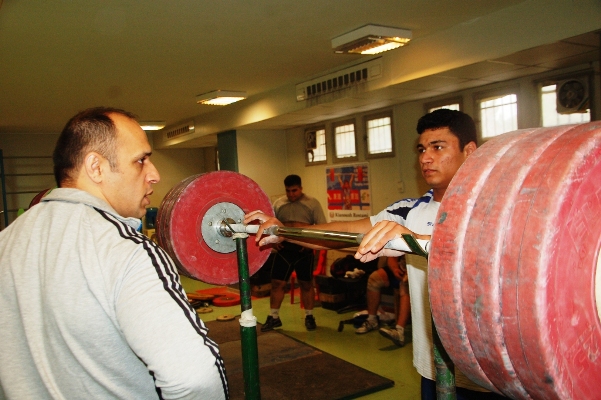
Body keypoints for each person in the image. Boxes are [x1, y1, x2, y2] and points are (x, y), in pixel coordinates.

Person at [246, 109, 506, 399]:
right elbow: (336, 234)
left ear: (469, 151)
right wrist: (282, 230)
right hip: (431, 366)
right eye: (421, 148)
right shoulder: (408, 211)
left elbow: (486, 253)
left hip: (485, 373)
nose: (425, 157)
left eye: (438, 147)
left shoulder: (494, 209)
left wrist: (412, 239)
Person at [0, 107, 229, 399]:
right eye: (141, 160)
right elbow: (195, 379)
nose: (154, 175)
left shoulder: (6, 242)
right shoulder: (126, 250)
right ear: (96, 168)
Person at [261, 174, 327, 332]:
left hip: (304, 249)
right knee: (277, 283)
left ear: (301, 188)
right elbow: (271, 226)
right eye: (288, 191)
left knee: (306, 284)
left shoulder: (312, 203)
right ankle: (274, 317)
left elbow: (322, 227)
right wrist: (274, 243)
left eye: (294, 190)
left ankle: (309, 316)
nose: (291, 194)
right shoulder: (279, 204)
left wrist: (311, 244)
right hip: (284, 249)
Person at [355, 255, 411, 348]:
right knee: (374, 279)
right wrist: (395, 269)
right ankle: (372, 320)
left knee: (405, 285)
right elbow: (392, 257)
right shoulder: (400, 239)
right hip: (402, 268)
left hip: (417, 270)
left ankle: (399, 332)